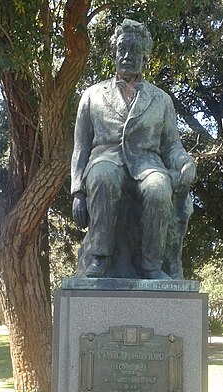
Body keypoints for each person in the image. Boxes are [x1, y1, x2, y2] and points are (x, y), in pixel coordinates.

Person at [71, 19, 195, 279]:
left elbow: (171, 144)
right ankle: (100, 259)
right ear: (114, 53)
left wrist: (185, 161)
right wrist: (77, 192)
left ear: (145, 57)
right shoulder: (92, 95)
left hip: (146, 163)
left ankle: (151, 265)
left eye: (135, 51)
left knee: (160, 189)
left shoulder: (161, 99)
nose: (127, 56)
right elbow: (80, 148)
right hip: (105, 159)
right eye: (122, 49)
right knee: (103, 177)